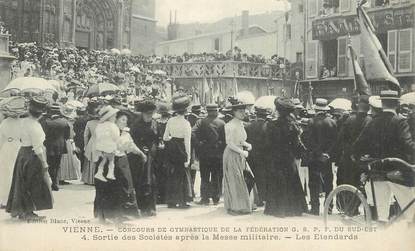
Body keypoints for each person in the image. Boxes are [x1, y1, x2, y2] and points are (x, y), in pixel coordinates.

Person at [354, 90, 415, 224]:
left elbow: (358, 145)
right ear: (397, 104)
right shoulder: (400, 121)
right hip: (398, 172)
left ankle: (382, 240)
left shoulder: (373, 122)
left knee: (382, 216)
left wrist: (362, 159)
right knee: (412, 213)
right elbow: (407, 144)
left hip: (377, 172)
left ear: (382, 103)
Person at [94, 111, 146, 223]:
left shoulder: (126, 133)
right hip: (110, 161)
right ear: (115, 120)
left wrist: (141, 153)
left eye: (126, 120)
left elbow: (132, 145)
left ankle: (122, 214)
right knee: (107, 188)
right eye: (122, 120)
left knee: (125, 186)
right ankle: (107, 214)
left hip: (122, 162)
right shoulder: (108, 132)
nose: (125, 122)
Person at [6, 96, 53, 220]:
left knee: (22, 182)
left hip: (23, 152)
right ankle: (29, 212)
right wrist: (44, 163)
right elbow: (37, 147)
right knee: (34, 183)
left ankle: (22, 210)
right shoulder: (35, 126)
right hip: (33, 155)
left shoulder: (23, 122)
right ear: (41, 114)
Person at [264, 97, 307, 217]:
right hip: (289, 157)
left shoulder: (271, 125)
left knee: (278, 181)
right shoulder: (293, 125)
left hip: (276, 157)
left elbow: (268, 144)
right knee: (291, 180)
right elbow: (297, 144)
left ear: (278, 110)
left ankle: (278, 209)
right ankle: (294, 208)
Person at [223, 97, 255, 215]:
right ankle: (236, 207)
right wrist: (242, 152)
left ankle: (245, 203)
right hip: (232, 154)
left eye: (244, 111)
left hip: (240, 153)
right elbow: (229, 143)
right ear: (234, 112)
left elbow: (240, 140)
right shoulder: (229, 125)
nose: (243, 113)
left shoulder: (240, 124)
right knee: (235, 179)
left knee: (246, 178)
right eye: (240, 111)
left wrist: (247, 144)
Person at [308, 98, 337, 215]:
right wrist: (327, 154)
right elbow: (335, 142)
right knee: (328, 182)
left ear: (316, 108)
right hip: (327, 158)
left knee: (314, 182)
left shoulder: (311, 122)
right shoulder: (332, 122)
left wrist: (318, 153)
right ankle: (328, 207)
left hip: (315, 158)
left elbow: (310, 142)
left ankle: (315, 208)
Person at [129, 99, 159, 216]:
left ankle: (152, 208)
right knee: (142, 182)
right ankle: (143, 208)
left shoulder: (154, 123)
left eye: (151, 114)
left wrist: (159, 143)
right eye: (147, 114)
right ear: (142, 113)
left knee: (152, 181)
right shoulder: (136, 125)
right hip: (139, 157)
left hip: (152, 156)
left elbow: (157, 137)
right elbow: (132, 140)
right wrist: (141, 147)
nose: (149, 116)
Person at [192, 104, 226, 205]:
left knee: (205, 176)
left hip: (205, 154)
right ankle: (216, 199)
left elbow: (192, 133)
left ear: (207, 111)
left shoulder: (201, 122)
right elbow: (225, 139)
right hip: (217, 154)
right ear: (216, 111)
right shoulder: (222, 123)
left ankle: (205, 199)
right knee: (216, 176)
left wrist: (199, 143)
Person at [163, 95, 193, 209]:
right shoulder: (186, 124)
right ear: (185, 111)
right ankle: (182, 201)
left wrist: (172, 140)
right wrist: (188, 157)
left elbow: (165, 137)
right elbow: (187, 142)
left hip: (172, 148)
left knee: (172, 174)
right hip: (181, 148)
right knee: (182, 174)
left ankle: (171, 200)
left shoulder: (170, 120)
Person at [0, 97, 26, 208]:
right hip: (18, 146)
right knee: (16, 172)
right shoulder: (22, 123)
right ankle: (15, 199)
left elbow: (1, 139)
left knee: (5, 173)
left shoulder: (4, 123)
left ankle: (4, 199)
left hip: (7, 147)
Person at [41, 103, 71, 191]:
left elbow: (43, 135)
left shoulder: (46, 121)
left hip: (49, 145)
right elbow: (67, 136)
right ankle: (55, 182)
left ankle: (52, 182)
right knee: (57, 165)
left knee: (50, 164)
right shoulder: (64, 121)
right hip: (60, 145)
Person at [245, 107, 270, 206]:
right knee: (263, 177)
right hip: (265, 157)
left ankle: (250, 199)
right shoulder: (268, 126)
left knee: (251, 177)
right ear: (265, 116)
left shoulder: (248, 126)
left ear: (256, 115)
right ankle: (262, 198)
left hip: (251, 155)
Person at [94, 105, 120, 182]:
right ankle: (110, 173)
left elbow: (97, 135)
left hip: (101, 145)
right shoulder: (113, 126)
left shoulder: (99, 125)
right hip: (110, 146)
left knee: (104, 159)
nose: (115, 118)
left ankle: (99, 172)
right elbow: (116, 136)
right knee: (111, 160)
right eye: (114, 116)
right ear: (110, 117)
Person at [154, 102, 171, 204]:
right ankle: (165, 196)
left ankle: (159, 195)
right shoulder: (170, 121)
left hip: (158, 149)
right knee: (166, 172)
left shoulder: (156, 122)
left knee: (158, 172)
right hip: (167, 148)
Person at [82, 101, 101, 185]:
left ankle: (88, 179)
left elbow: (85, 135)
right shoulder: (103, 123)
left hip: (92, 142)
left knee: (90, 160)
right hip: (100, 141)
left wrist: (85, 145)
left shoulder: (89, 123)